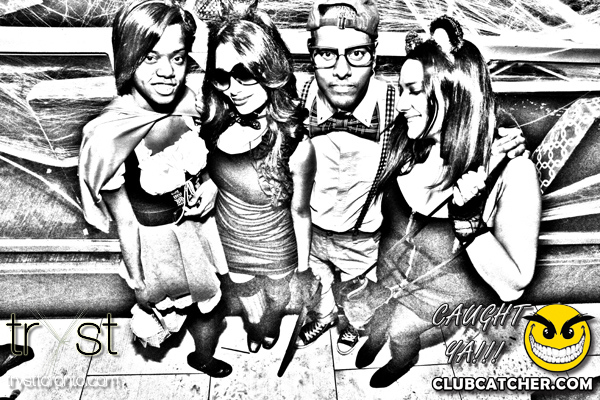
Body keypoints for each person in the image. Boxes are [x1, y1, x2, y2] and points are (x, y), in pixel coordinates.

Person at [294, 0, 527, 355]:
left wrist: (501, 132)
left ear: (374, 55)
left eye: (356, 53)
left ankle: (357, 327)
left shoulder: (396, 104)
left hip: (364, 239)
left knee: (362, 299)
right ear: (311, 55)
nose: (341, 70)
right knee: (323, 284)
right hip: (311, 230)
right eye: (326, 54)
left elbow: (458, 100)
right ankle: (326, 317)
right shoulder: (297, 96)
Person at [354, 17, 541, 388]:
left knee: (401, 331)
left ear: (456, 93)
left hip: (433, 296)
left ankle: (401, 359)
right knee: (379, 317)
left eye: (413, 91)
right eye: (401, 90)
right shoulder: (409, 139)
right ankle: (376, 336)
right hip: (387, 273)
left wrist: (469, 220)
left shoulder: (511, 171)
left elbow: (514, 285)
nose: (401, 104)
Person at [78, 0, 231, 378]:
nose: (167, 72)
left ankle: (203, 357)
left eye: (177, 58)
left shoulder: (187, 102)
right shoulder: (109, 136)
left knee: (212, 304)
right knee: (172, 310)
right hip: (155, 245)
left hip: (199, 231)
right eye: (150, 58)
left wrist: (209, 183)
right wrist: (138, 281)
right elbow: (124, 222)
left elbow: (204, 162)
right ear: (128, 58)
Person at [199, 8, 316, 353]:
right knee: (248, 299)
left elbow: (301, 212)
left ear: (269, 70)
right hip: (232, 243)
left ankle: (272, 322)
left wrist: (304, 271)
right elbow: (219, 175)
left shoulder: (296, 145)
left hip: (278, 248)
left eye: (244, 74)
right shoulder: (215, 122)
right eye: (222, 77)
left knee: (278, 297)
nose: (233, 89)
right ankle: (256, 325)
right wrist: (209, 183)